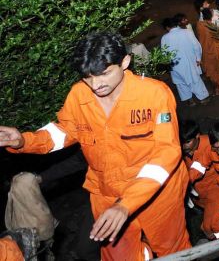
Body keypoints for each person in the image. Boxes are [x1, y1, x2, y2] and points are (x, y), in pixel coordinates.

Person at [0, 32, 191, 260]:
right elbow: (64, 131)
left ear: (125, 62)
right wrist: (24, 141)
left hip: (159, 194)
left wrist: (127, 204)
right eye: (87, 77)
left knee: (173, 249)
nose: (96, 84)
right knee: (118, 256)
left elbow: (166, 152)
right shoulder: (79, 94)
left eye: (104, 74)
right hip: (106, 194)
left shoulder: (154, 94)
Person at [162, 16, 209, 105]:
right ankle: (203, 98)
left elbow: (164, 54)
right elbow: (196, 46)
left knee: (181, 83)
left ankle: (190, 100)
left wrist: (168, 64)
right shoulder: (187, 32)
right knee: (195, 79)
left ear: (167, 27)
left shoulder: (164, 38)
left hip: (175, 65)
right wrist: (198, 58)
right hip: (189, 62)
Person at [194, 0, 219, 95]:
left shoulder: (199, 25)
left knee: (213, 70)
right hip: (216, 51)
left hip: (206, 52)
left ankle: (218, 87)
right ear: (210, 16)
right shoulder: (211, 27)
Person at [180, 120, 219, 209]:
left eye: (188, 141)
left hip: (217, 192)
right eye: (181, 142)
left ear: (197, 136)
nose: (184, 146)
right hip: (197, 197)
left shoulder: (211, 144)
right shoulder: (177, 150)